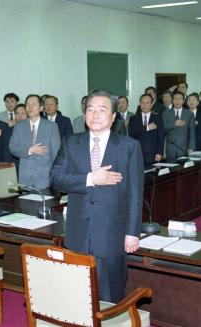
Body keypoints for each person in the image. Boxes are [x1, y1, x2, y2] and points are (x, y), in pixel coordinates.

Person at [50, 88, 144, 303]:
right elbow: (55, 178)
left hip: (112, 234)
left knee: (110, 296)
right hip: (77, 233)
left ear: (113, 117)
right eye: (90, 109)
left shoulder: (129, 147)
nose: (94, 114)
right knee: (78, 296)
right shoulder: (71, 142)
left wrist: (132, 233)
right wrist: (90, 179)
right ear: (84, 115)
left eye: (102, 110)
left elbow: (136, 194)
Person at [9, 94, 60, 189]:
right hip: (25, 179)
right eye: (28, 105)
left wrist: (56, 177)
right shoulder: (19, 127)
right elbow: (13, 148)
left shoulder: (51, 126)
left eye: (33, 104)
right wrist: (30, 150)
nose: (30, 107)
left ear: (41, 108)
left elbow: (56, 154)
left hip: (45, 179)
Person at [128, 94, 164, 165]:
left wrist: (159, 152)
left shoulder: (157, 118)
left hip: (153, 153)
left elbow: (161, 137)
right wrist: (146, 128)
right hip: (137, 153)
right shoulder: (133, 118)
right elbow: (131, 133)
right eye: (142, 102)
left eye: (147, 103)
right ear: (139, 104)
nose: (144, 105)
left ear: (151, 105)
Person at [163, 91, 195, 161]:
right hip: (170, 148)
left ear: (183, 101)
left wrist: (191, 147)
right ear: (172, 100)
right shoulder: (165, 113)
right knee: (170, 170)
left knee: (184, 169)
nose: (177, 101)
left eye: (180, 99)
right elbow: (163, 128)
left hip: (184, 147)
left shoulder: (189, 114)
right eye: (175, 99)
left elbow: (192, 131)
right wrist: (174, 124)